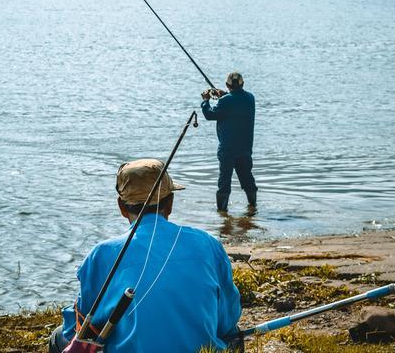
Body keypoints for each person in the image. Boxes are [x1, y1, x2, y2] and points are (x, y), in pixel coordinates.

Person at [49, 158, 242, 353]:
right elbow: (228, 318)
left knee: (58, 336)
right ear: (170, 203)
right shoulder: (207, 243)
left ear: (122, 207)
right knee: (234, 335)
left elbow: (77, 328)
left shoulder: (102, 254)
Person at [201, 72, 257, 212]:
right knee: (247, 178)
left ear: (227, 85)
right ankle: (253, 208)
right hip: (245, 148)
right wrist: (225, 95)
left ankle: (222, 213)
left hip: (227, 149)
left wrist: (205, 101)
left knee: (224, 181)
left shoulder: (225, 101)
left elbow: (210, 114)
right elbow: (236, 102)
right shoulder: (250, 98)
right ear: (243, 84)